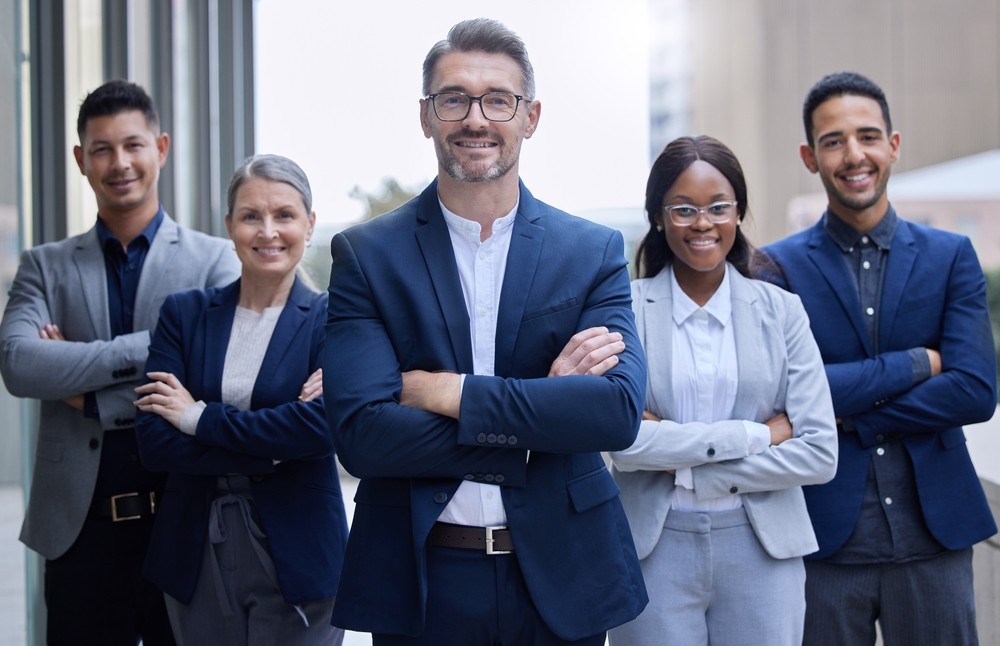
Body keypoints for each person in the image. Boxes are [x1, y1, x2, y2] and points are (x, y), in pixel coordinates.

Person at [324, 17, 648, 646]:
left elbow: (614, 413)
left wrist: (450, 394)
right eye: (454, 99)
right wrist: (540, 418)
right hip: (421, 576)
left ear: (530, 117)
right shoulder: (367, 255)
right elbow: (362, 437)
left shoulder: (590, 252)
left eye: (499, 99)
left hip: (561, 572)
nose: (477, 118)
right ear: (426, 116)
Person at [761, 71, 998, 645]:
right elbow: (790, 396)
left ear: (893, 144)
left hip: (935, 534)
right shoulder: (777, 269)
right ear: (810, 157)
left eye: (867, 136)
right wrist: (918, 364)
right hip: (822, 539)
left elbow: (974, 389)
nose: (853, 155)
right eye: (833, 141)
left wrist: (849, 416)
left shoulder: (951, 256)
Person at [0, 79, 239, 645]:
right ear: (81, 160)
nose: (119, 162)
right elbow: (19, 365)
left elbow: (219, 379)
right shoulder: (44, 265)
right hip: (79, 534)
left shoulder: (216, 261)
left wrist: (82, 390)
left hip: (184, 525)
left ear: (160, 148)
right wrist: (160, 347)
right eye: (101, 149)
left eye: (132, 145)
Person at [606, 135, 838, 645]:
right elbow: (622, 443)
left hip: (764, 551)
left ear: (738, 213)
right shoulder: (624, 310)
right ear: (660, 217)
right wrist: (758, 435)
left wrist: (683, 460)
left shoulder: (782, 312)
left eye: (718, 207)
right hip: (652, 547)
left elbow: (819, 453)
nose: (703, 223)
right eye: (684, 209)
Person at [133, 154, 349, 645]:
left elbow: (319, 431)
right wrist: (274, 442)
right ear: (229, 226)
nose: (268, 231)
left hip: (300, 551)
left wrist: (196, 416)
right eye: (251, 216)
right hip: (194, 549)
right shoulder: (185, 316)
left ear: (310, 224)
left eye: (285, 216)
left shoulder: (334, 321)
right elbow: (153, 441)